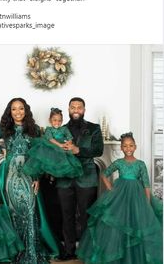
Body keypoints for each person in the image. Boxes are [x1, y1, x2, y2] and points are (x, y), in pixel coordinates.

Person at [0, 97, 59, 264]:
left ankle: (31, 252)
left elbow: (38, 155)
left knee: (30, 212)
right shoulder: (5, 129)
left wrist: (37, 177)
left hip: (28, 173)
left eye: (21, 108)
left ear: (26, 110)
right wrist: (2, 150)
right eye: (14, 109)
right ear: (10, 112)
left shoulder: (34, 129)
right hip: (10, 174)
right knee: (13, 212)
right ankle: (15, 251)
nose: (18, 112)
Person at [76, 132, 163, 264]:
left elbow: (146, 184)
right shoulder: (119, 162)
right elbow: (104, 174)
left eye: (131, 146)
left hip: (136, 195)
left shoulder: (140, 164)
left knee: (135, 222)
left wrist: (147, 202)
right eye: (125, 146)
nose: (128, 148)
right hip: (120, 195)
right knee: (117, 223)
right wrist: (110, 186)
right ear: (121, 148)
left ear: (135, 147)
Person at [57, 97, 104, 260]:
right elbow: (54, 153)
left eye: (79, 107)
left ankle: (86, 251)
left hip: (87, 177)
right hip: (64, 178)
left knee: (86, 216)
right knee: (66, 215)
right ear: (68, 109)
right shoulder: (60, 129)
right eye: (73, 107)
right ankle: (69, 251)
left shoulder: (94, 128)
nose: (76, 110)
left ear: (84, 110)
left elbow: (98, 150)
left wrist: (79, 150)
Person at [23, 107, 83, 179]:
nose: (57, 123)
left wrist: (68, 143)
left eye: (59, 121)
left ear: (62, 121)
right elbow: (50, 139)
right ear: (50, 120)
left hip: (63, 147)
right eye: (54, 120)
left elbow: (69, 137)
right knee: (46, 157)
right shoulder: (49, 129)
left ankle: (57, 175)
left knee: (65, 161)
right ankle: (50, 176)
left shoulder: (64, 129)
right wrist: (60, 145)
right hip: (52, 146)